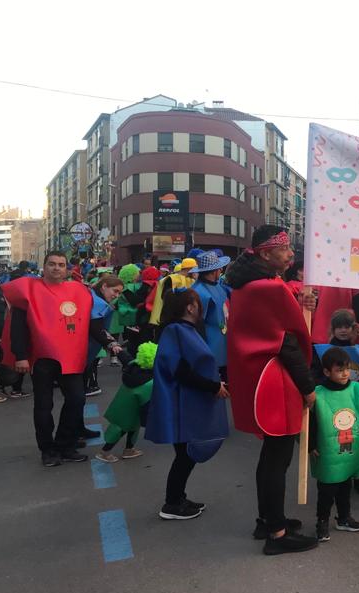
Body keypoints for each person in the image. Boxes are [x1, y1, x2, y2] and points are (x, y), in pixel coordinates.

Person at [226, 226, 318, 555]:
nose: (291, 253)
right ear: (266, 254)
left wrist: (302, 302)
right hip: (274, 377)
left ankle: (268, 520)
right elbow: (287, 342)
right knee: (278, 459)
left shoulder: (247, 283)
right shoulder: (268, 287)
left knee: (270, 457)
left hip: (258, 375)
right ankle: (277, 535)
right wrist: (308, 387)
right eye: (284, 248)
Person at [4, 252, 119, 467]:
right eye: (52, 264)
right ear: (44, 266)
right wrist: (21, 356)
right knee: (43, 405)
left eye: (61, 265)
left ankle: (65, 444)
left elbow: (92, 322)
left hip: (70, 358)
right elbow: (18, 327)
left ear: (67, 269)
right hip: (42, 359)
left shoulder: (78, 291)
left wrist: (110, 343)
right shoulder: (28, 290)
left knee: (77, 399)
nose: (56, 268)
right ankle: (47, 450)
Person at [147, 289, 230, 520]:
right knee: (185, 455)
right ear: (190, 307)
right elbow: (181, 370)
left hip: (186, 401)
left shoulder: (183, 330)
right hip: (181, 403)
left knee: (185, 455)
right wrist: (212, 386)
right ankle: (172, 504)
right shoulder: (176, 330)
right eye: (196, 302)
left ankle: (178, 498)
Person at [310, 347, 359, 541]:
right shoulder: (318, 394)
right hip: (327, 451)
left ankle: (344, 518)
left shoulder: (356, 390)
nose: (345, 374)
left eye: (347, 369)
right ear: (327, 372)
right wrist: (310, 444)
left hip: (351, 448)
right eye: (339, 370)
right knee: (327, 488)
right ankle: (322, 522)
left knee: (345, 485)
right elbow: (311, 422)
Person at [97, 342, 157, 463]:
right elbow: (147, 404)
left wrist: (118, 349)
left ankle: (129, 450)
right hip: (133, 409)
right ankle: (104, 452)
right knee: (121, 429)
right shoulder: (149, 383)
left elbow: (126, 357)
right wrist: (147, 421)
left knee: (130, 427)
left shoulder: (133, 365)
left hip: (123, 405)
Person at [191, 250, 232, 378]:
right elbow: (196, 325)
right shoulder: (199, 292)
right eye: (219, 268)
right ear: (214, 271)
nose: (221, 270)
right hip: (209, 349)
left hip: (223, 345)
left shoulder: (218, 286)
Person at [84, 274, 124, 397]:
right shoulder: (99, 303)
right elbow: (96, 329)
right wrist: (111, 344)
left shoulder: (91, 294)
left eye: (119, 293)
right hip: (85, 347)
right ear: (104, 286)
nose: (116, 296)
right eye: (115, 291)